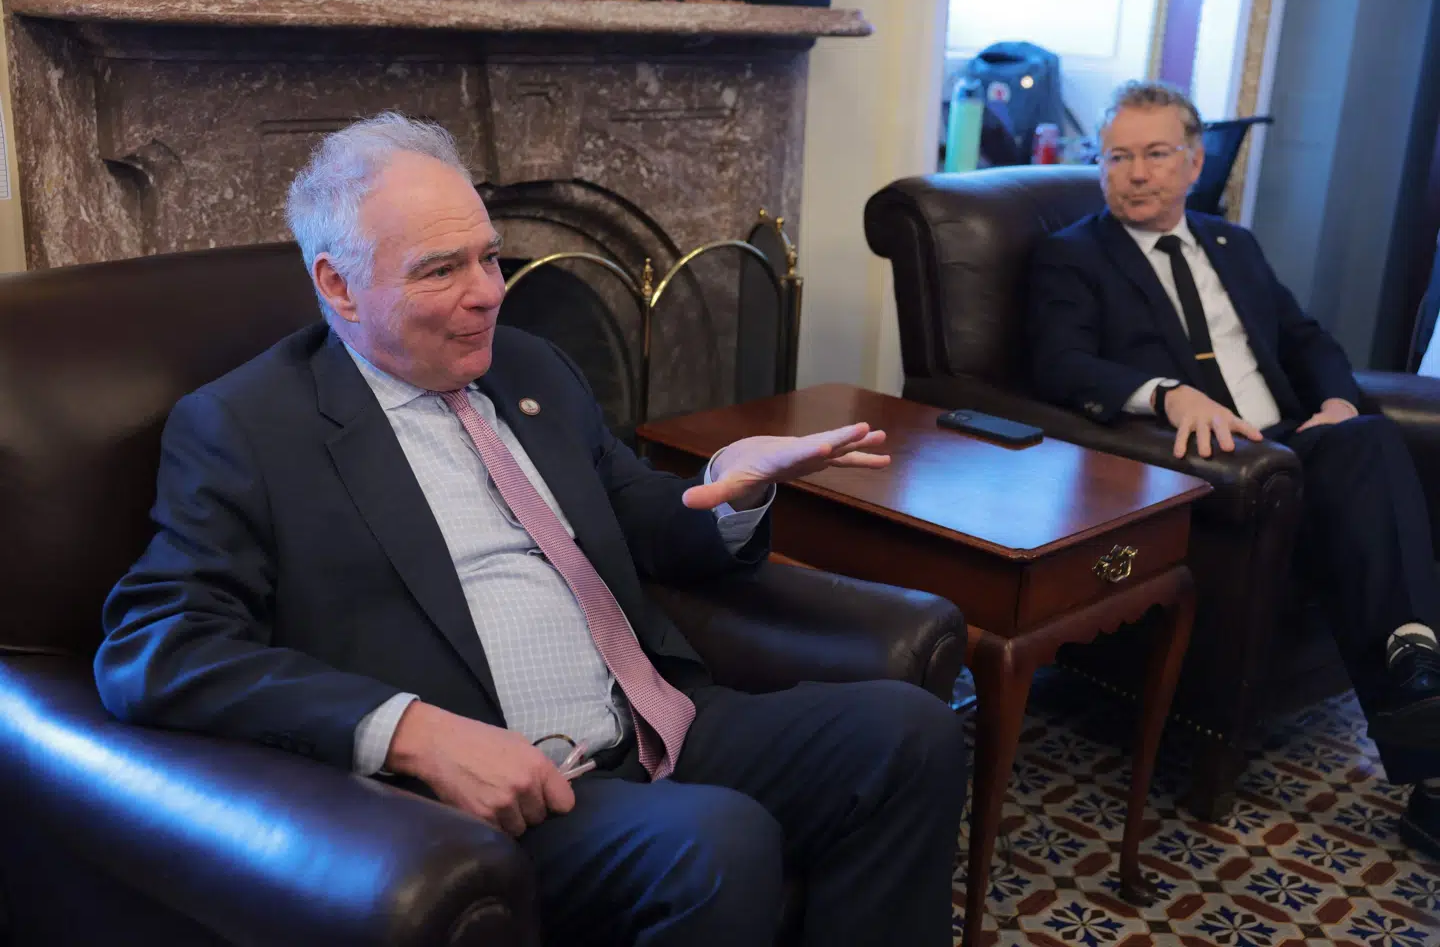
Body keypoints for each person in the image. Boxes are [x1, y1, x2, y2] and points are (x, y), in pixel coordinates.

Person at [93, 113, 968, 946]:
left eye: (490, 257)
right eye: (441, 270)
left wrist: (728, 490)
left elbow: (640, 519)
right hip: (517, 784)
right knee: (718, 841)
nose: (488, 295)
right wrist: (412, 731)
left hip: (661, 716)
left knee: (908, 732)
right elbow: (159, 646)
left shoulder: (530, 363)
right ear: (337, 284)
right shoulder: (247, 426)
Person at [1027, 81, 1440, 858]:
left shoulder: (1232, 244)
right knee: (1373, 461)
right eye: (1118, 157)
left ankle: (1417, 665)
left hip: (1293, 441)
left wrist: (1339, 402)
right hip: (1219, 466)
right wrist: (1167, 394)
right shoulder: (1072, 256)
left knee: (1367, 436)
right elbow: (1060, 362)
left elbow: (1307, 337)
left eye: (1155, 155)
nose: (1136, 174)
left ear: (1193, 163)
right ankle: (1420, 692)